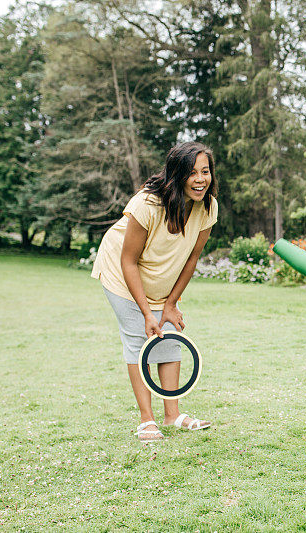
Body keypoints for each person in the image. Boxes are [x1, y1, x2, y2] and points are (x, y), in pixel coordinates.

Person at [92, 142, 218, 442]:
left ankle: (173, 415)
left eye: (205, 171)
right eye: (192, 173)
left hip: (161, 278)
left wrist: (170, 303)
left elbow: (191, 258)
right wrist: (148, 312)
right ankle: (146, 421)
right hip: (122, 273)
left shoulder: (208, 207)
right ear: (177, 174)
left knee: (170, 336)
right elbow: (127, 260)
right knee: (140, 340)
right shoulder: (147, 204)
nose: (201, 179)